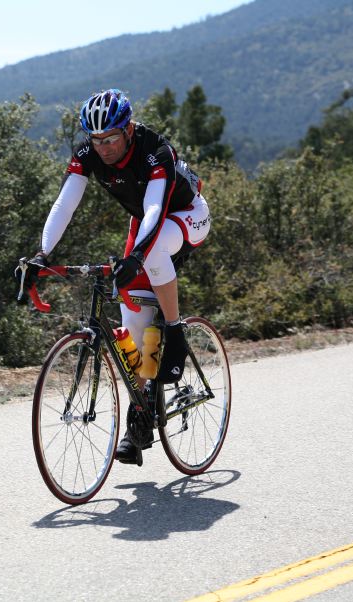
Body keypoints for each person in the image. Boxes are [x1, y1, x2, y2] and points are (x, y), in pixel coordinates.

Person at [19, 88, 211, 464]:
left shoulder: (155, 149)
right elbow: (65, 204)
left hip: (187, 216)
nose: (103, 147)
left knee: (151, 252)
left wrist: (137, 255)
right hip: (146, 223)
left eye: (111, 138)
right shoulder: (88, 155)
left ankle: (173, 329)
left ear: (128, 129)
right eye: (96, 139)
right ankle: (139, 421)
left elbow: (156, 206)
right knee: (134, 327)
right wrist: (43, 255)